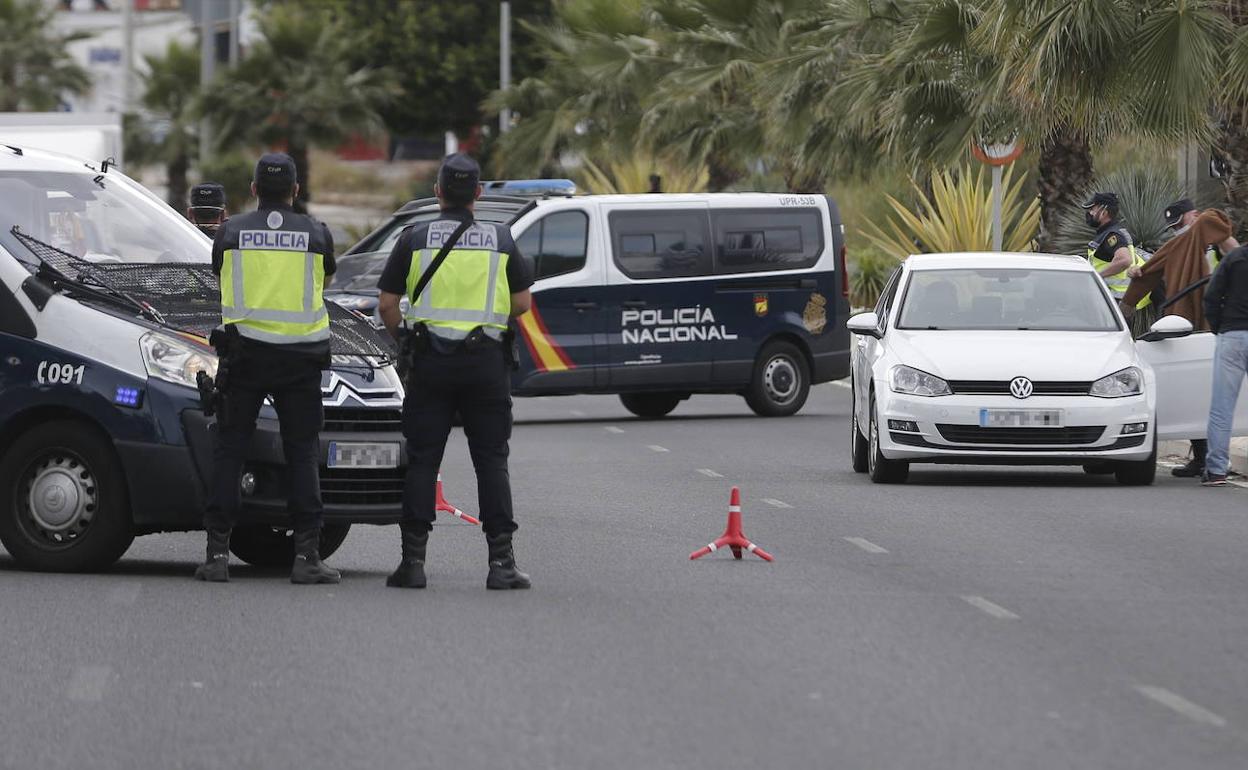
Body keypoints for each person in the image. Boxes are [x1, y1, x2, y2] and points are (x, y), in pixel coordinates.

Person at [376, 153, 534, 590]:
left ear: (438, 192)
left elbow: (387, 304)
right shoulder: (501, 240)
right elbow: (523, 303)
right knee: (491, 461)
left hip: (429, 363)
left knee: (423, 460)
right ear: (478, 194)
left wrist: (406, 339)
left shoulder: (414, 238)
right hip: (485, 364)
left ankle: (412, 564)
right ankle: (501, 564)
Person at [195, 153, 340, 585]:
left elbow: (218, 271)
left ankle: (217, 554)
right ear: (295, 190)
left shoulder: (230, 231)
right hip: (300, 359)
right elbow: (324, 277)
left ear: (254, 189)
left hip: (245, 356)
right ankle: (307, 556)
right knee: (302, 453)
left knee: (230, 451)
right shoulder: (318, 234)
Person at [1134, 199, 1241, 478]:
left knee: (1219, 402)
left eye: (1181, 223)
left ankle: (1214, 464)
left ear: (1194, 216)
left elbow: (1232, 252)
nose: (1178, 231)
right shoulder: (1179, 246)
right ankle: (1204, 458)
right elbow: (1149, 273)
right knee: (1200, 394)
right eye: (1174, 227)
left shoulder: (1215, 238)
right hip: (1194, 326)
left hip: (1219, 328)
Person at [1201, 244, 1248, 486]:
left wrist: (1220, 328)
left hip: (1233, 335)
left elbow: (1211, 296)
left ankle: (1216, 470)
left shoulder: (1234, 258)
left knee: (1222, 407)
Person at [1082, 192, 1151, 334]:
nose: (1089, 213)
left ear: (1104, 212)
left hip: (1116, 301)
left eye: (1092, 209)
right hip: (1120, 300)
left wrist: (1097, 276)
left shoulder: (1112, 235)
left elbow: (1125, 260)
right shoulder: (1114, 231)